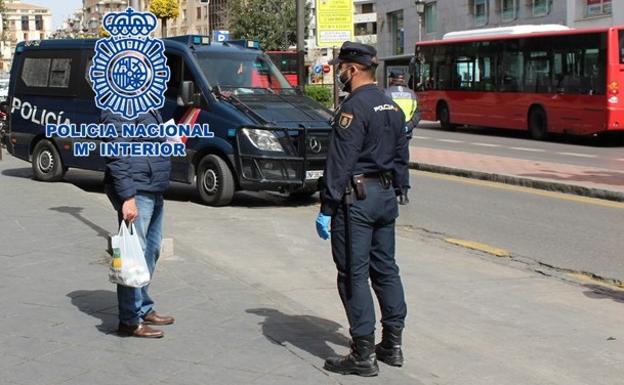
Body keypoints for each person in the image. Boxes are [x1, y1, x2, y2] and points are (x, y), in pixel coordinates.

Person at [315, 41, 409, 377]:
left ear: (353, 69)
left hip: (356, 200)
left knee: (354, 274)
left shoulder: (353, 109)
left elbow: (340, 163)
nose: (339, 73)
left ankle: (363, 353)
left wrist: (327, 205)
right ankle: (393, 344)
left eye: (341, 68)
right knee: (386, 269)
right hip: (385, 196)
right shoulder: (391, 106)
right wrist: (399, 188)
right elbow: (401, 157)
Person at [103, 108, 174, 338]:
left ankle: (143, 307)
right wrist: (127, 198)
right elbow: (116, 152)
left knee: (151, 250)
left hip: (153, 188)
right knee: (133, 255)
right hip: (137, 191)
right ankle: (130, 320)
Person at [385, 70, 419, 205]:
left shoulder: (385, 93)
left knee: (387, 162)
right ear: (403, 80)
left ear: (391, 79)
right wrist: (408, 126)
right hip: (405, 134)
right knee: (402, 163)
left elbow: (383, 114)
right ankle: (403, 193)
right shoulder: (412, 94)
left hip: (389, 134)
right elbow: (417, 114)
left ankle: (391, 191)